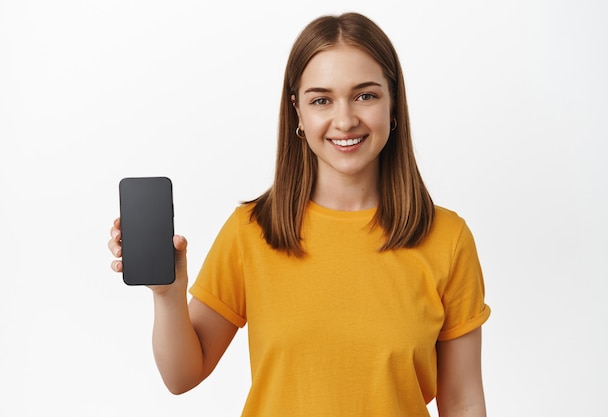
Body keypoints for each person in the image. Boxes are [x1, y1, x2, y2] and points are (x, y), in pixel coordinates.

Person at [108, 12, 490, 417]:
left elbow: (463, 401)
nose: (344, 120)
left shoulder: (446, 238)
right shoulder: (252, 231)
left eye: (366, 95)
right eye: (321, 99)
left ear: (393, 103)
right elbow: (181, 376)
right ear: (298, 114)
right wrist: (168, 294)